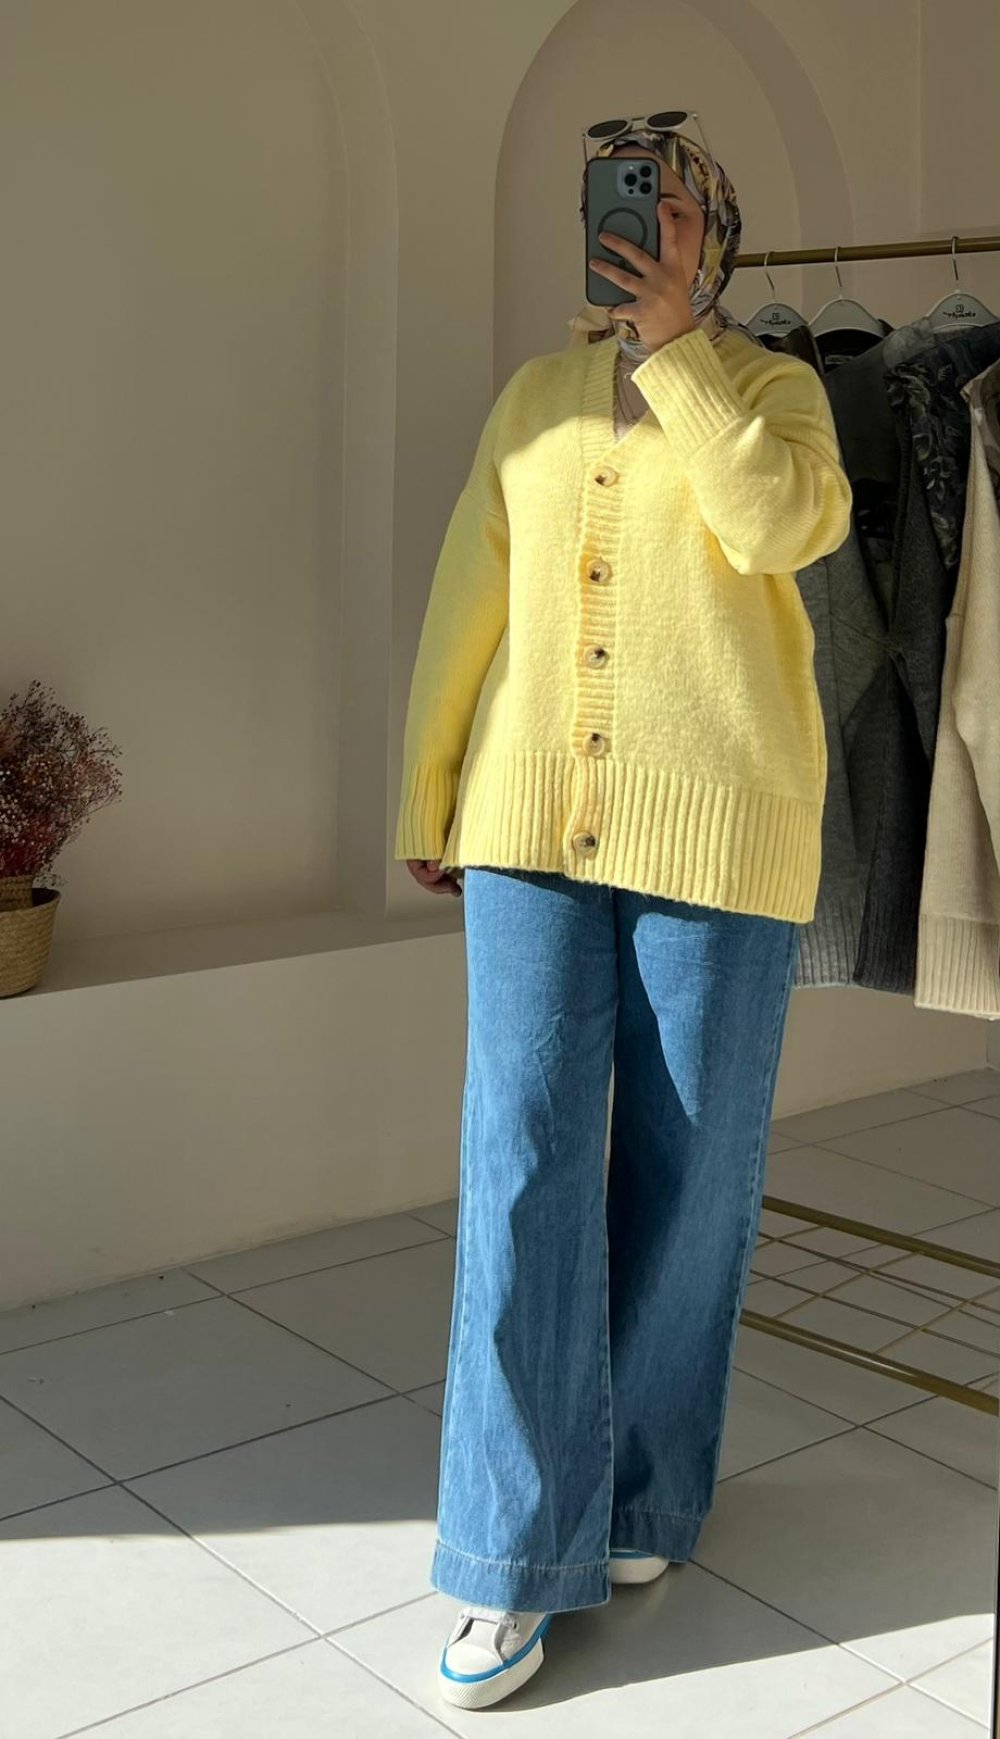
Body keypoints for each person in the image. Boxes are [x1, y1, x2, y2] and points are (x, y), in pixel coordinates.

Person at [394, 120, 853, 1711]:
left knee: (689, 1173)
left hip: (717, 837)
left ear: (712, 232)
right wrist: (432, 787)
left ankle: (649, 1490)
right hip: (529, 819)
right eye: (619, 209)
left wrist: (682, 355)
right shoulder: (531, 398)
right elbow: (469, 600)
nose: (640, 233)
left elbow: (783, 529)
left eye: (669, 208)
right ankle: (505, 1556)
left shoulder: (777, 391)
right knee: (520, 1165)